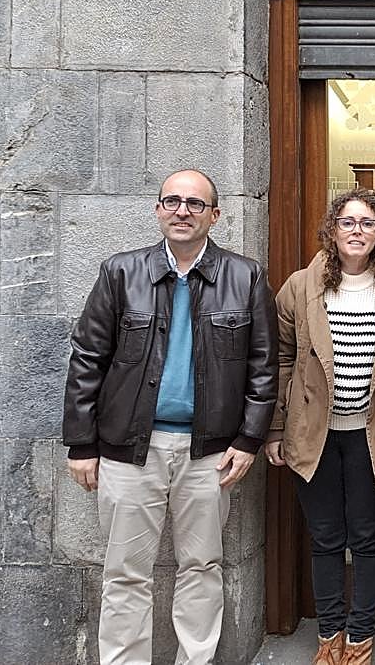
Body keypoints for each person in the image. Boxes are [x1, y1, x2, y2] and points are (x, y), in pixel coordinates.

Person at [62, 169, 278, 665]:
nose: (183, 211)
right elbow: (88, 357)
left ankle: (194, 660)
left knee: (201, 566)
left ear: (214, 215)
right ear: (158, 209)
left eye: (195, 204)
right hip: (128, 451)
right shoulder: (121, 272)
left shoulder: (244, 277)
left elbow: (263, 367)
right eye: (173, 201)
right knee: (124, 571)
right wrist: (82, 443)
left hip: (210, 453)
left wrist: (248, 441)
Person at [266, 187, 375, 665]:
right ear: (333, 230)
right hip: (314, 434)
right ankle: (329, 636)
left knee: (368, 537)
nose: (358, 231)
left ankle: (360, 638)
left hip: (372, 433)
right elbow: (282, 360)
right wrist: (274, 430)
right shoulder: (299, 286)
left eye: (368, 223)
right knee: (326, 537)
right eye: (349, 222)